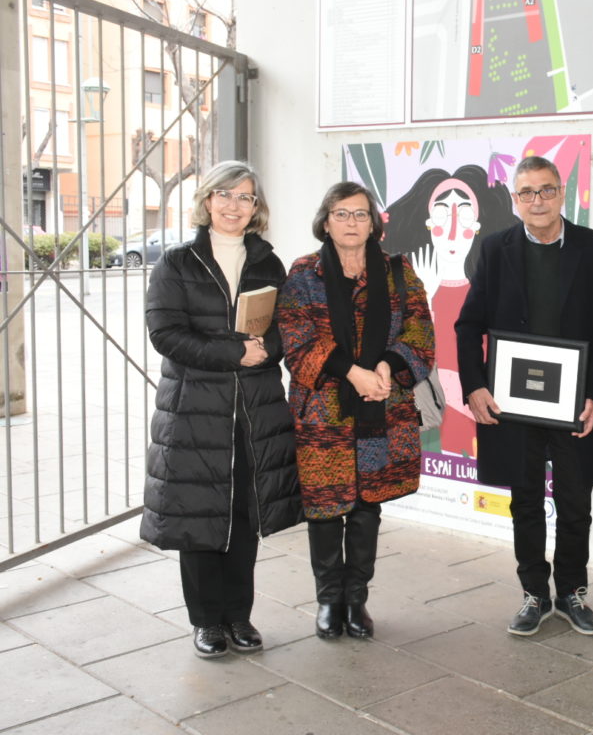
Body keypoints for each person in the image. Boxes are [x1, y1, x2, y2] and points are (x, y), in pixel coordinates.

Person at [141, 160, 302, 659]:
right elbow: (165, 335)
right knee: (199, 513)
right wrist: (234, 352)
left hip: (255, 407)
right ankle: (206, 621)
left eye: (246, 197)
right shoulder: (177, 262)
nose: (235, 206)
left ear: (257, 208)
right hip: (195, 409)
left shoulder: (268, 262)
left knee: (244, 513)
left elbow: (287, 327)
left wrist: (266, 348)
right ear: (208, 200)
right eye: (226, 195)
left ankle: (239, 615)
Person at [455, 155, 593, 637]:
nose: (537, 201)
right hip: (514, 403)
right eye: (526, 193)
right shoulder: (494, 248)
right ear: (514, 200)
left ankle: (572, 592)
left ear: (561, 192)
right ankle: (534, 594)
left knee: (576, 504)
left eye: (545, 190)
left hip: (574, 404)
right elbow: (468, 325)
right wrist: (475, 386)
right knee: (524, 502)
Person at [277, 181, 435, 639]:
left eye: (361, 214)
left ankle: (356, 601)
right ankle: (329, 600)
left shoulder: (400, 273)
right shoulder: (304, 273)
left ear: (375, 223)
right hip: (323, 413)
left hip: (383, 410)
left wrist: (385, 366)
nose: (351, 222)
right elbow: (296, 339)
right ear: (325, 222)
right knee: (325, 510)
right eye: (341, 214)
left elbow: (422, 334)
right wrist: (353, 372)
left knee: (368, 508)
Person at [384, 166, 518, 457]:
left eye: (466, 214)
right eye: (443, 214)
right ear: (428, 222)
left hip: (481, 426)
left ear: (480, 223)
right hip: (431, 429)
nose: (455, 230)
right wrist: (425, 298)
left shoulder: (488, 292)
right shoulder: (407, 287)